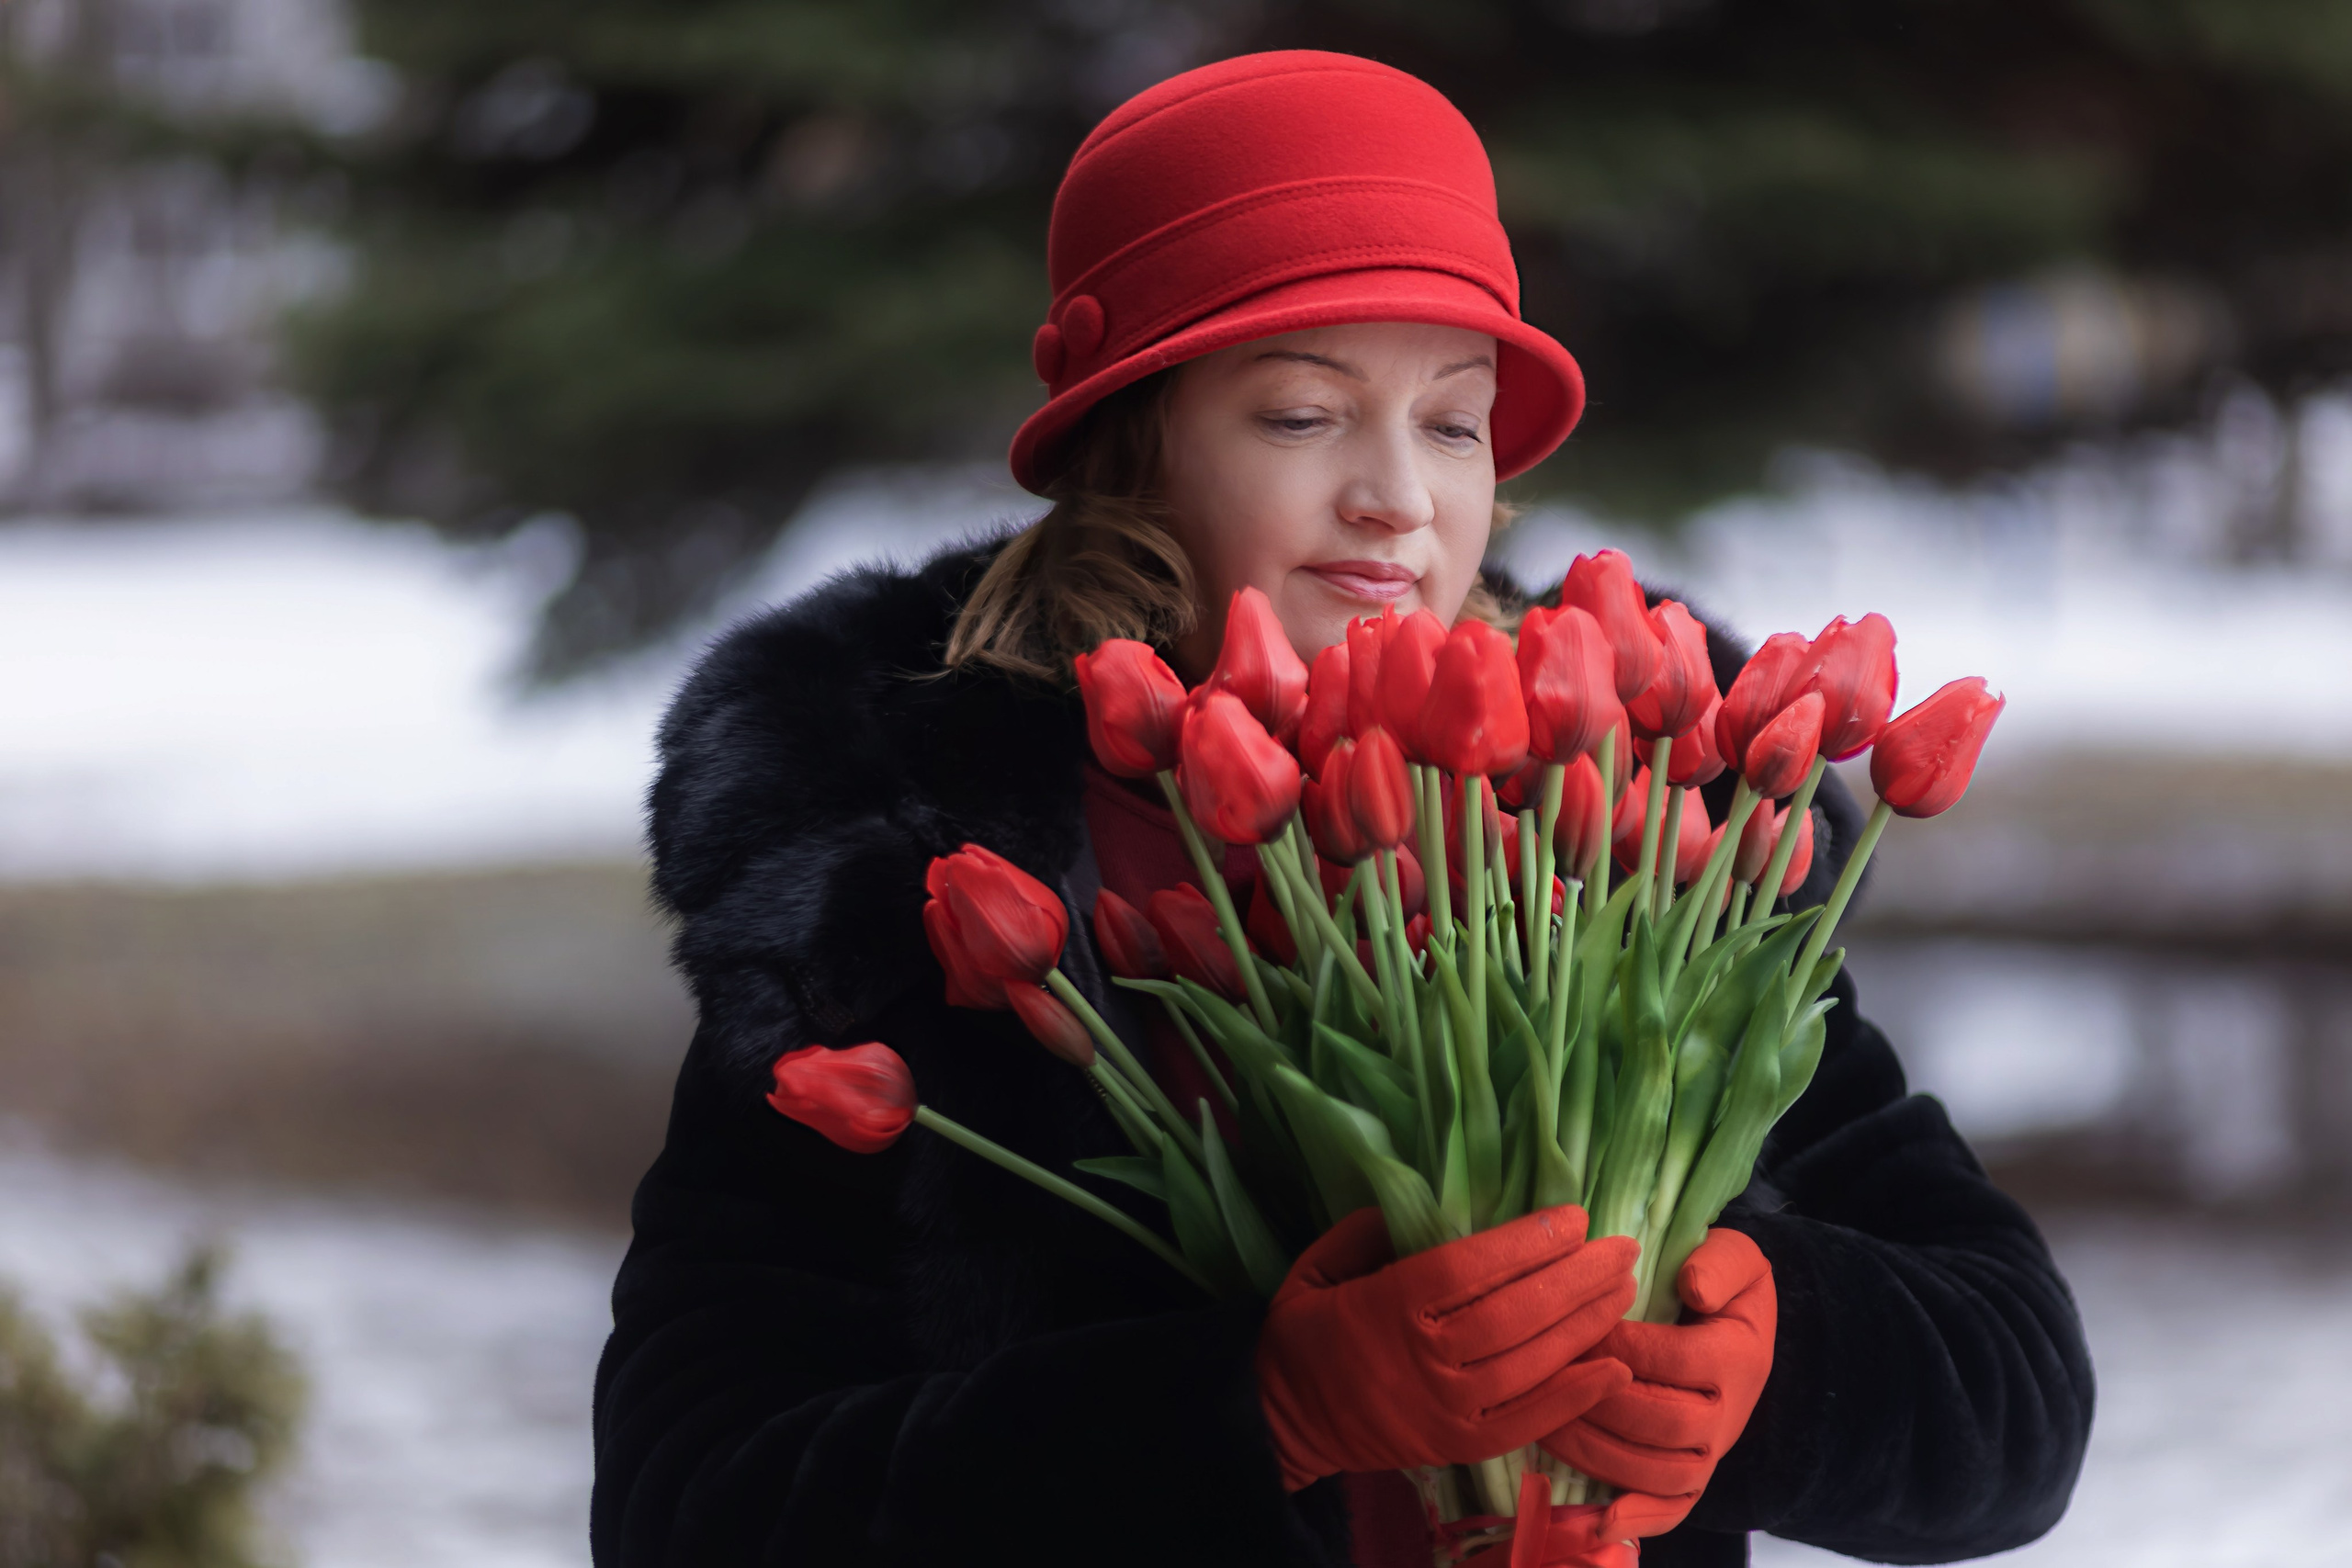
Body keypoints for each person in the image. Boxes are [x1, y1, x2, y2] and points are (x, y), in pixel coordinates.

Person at [591, 51, 2093, 1568]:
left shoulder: (1644, 819)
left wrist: (1783, 1362)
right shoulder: (898, 872)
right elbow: (695, 1508)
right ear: (1134, 448)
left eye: (1452, 422)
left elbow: (2017, 1399)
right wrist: (1251, 1415)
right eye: (1305, 416)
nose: (1399, 497)